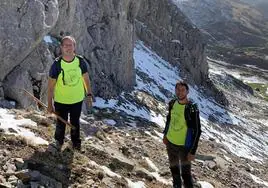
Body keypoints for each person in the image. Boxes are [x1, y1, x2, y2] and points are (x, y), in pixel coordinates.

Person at [47, 36, 93, 151]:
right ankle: (58, 142)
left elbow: (86, 78)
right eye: (65, 45)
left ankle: (76, 144)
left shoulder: (80, 61)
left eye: (70, 45)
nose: (68, 48)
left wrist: (89, 94)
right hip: (61, 100)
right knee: (60, 123)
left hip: (77, 99)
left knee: (75, 122)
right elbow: (51, 86)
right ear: (61, 47)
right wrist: (49, 104)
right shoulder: (57, 64)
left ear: (74, 47)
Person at [163, 81, 201, 188]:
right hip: (170, 143)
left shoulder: (191, 108)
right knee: (174, 170)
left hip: (184, 147)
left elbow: (198, 130)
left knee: (186, 175)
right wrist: (165, 135)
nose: (180, 92)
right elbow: (169, 120)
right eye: (178, 89)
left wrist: (192, 151)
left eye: (183, 90)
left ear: (187, 91)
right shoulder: (172, 103)